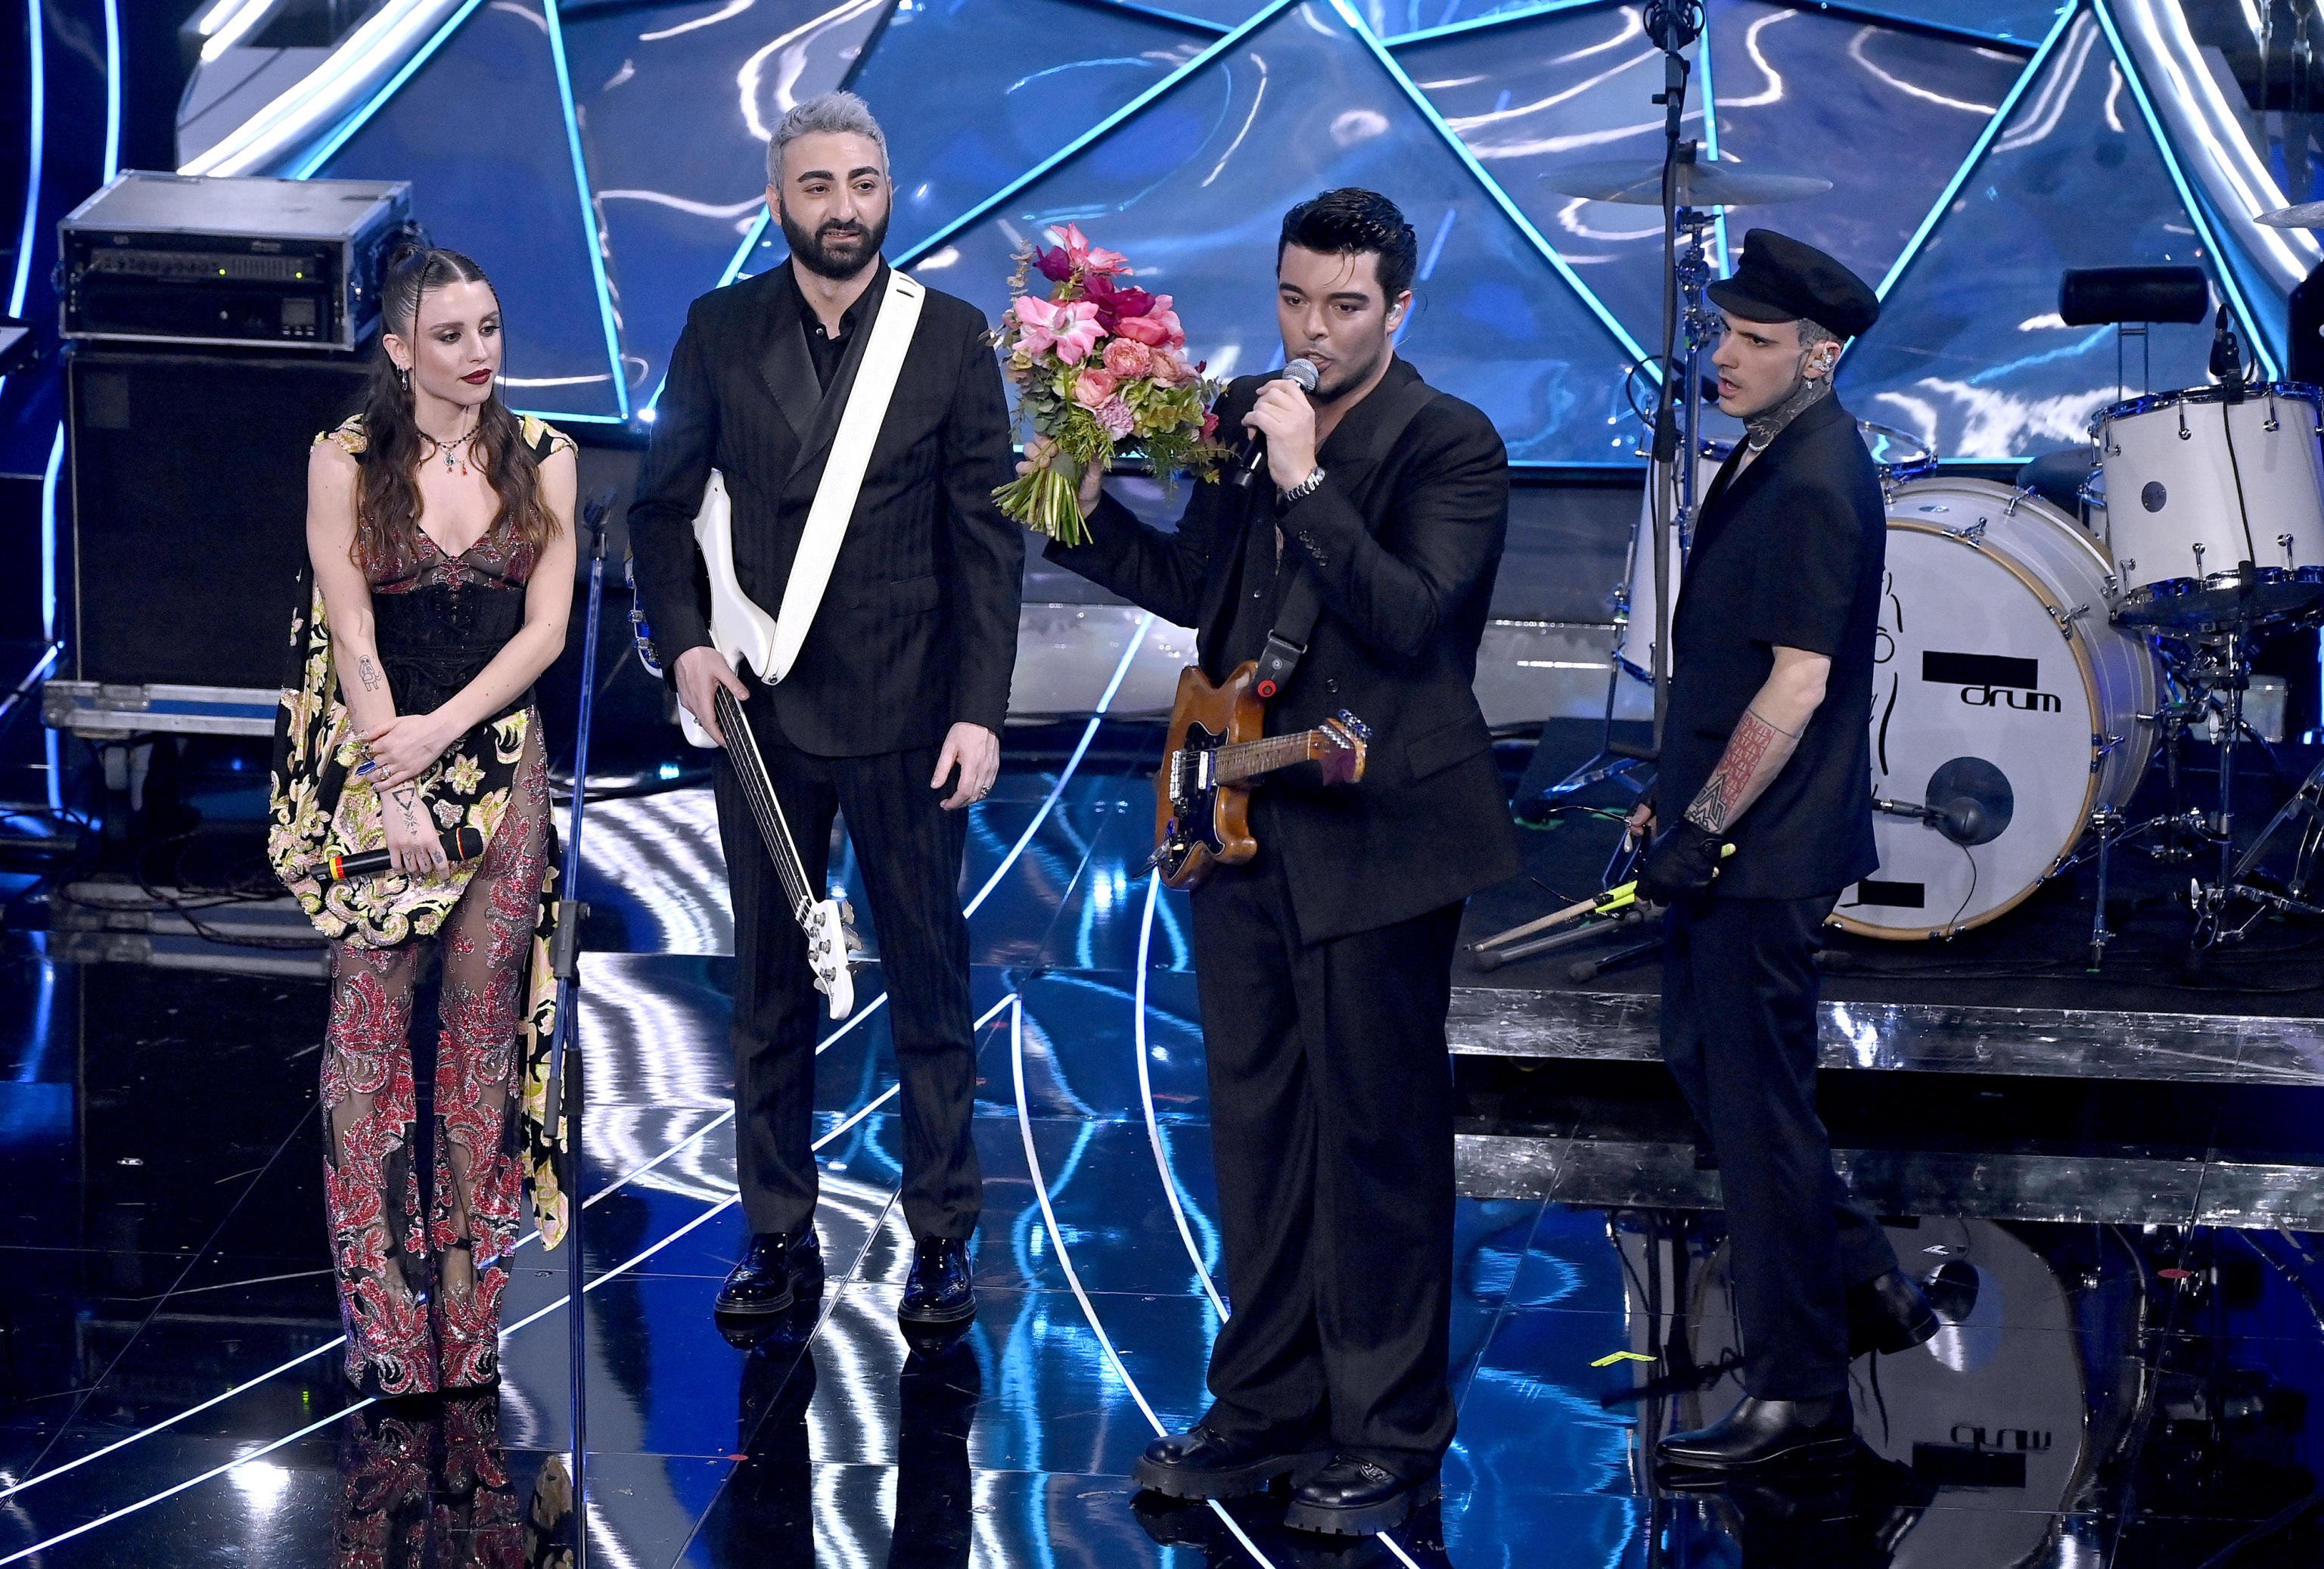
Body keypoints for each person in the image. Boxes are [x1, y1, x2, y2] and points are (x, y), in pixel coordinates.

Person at [1037, 188, 1518, 1536]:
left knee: (1377, 1141)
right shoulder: (1253, 420)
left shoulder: (1452, 443)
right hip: (1244, 826)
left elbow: (1412, 620)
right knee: (1257, 1132)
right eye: (1297, 299)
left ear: (1399, 308)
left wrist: (1307, 479)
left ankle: (1389, 1434)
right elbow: (1203, 589)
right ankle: (1264, 1404)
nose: (1314, 329)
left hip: (1381, 835)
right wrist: (1072, 500)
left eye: (1346, 305)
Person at [626, 92, 1024, 1334]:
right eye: (817, 186)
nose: (843, 207)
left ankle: (942, 1237)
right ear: (776, 201)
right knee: (765, 987)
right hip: (763, 706)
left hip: (911, 712)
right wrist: (687, 647)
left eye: (862, 183)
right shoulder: (719, 328)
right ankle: (775, 1231)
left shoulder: (948, 337)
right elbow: (658, 510)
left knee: (931, 985)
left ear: (888, 190)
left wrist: (980, 710)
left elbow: (986, 546)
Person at [1626, 229, 1937, 1470]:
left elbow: (1796, 684)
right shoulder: (1774, 449)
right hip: (1735, 831)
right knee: (1706, 1062)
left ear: (1822, 356)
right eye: (1724, 331)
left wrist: (1705, 824)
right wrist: (1673, 798)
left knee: (1761, 1124)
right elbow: (1723, 663)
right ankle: (1859, 1271)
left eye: (1756, 340)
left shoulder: (1814, 478)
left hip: (1764, 848)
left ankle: (1799, 1389)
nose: (1725, 356)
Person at [270, 246, 577, 1397]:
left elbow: (545, 633)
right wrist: (394, 784)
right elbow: (350, 631)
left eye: (489, 327)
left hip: (497, 761)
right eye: (451, 335)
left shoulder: (547, 455)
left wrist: (442, 731)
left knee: (483, 1036)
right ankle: (386, 1317)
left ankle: (468, 1305)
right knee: (365, 1029)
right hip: (376, 764)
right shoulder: (343, 460)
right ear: (400, 350)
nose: (479, 352)